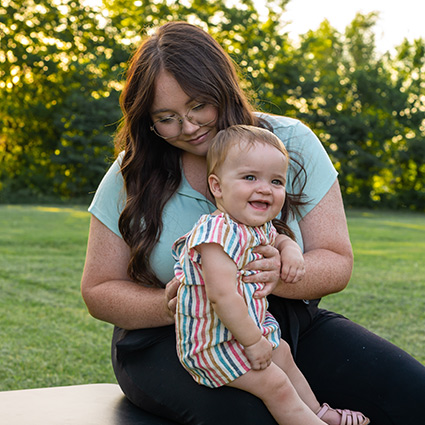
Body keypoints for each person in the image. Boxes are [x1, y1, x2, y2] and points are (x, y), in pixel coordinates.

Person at [81, 21, 425, 425]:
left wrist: (276, 275)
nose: (188, 127)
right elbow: (97, 289)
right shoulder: (133, 170)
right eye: (167, 118)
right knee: (250, 414)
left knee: (413, 394)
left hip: (276, 322)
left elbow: (336, 261)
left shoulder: (289, 142)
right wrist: (176, 304)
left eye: (198, 107)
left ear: (223, 89)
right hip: (174, 340)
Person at [172, 124, 369, 425]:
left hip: (247, 331)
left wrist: (289, 250)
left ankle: (319, 413)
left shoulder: (255, 226)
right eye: (250, 177)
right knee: (275, 385)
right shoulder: (215, 235)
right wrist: (253, 343)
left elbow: (277, 239)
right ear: (217, 186)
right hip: (214, 344)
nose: (265, 188)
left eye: (276, 181)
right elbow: (222, 297)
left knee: (285, 355)